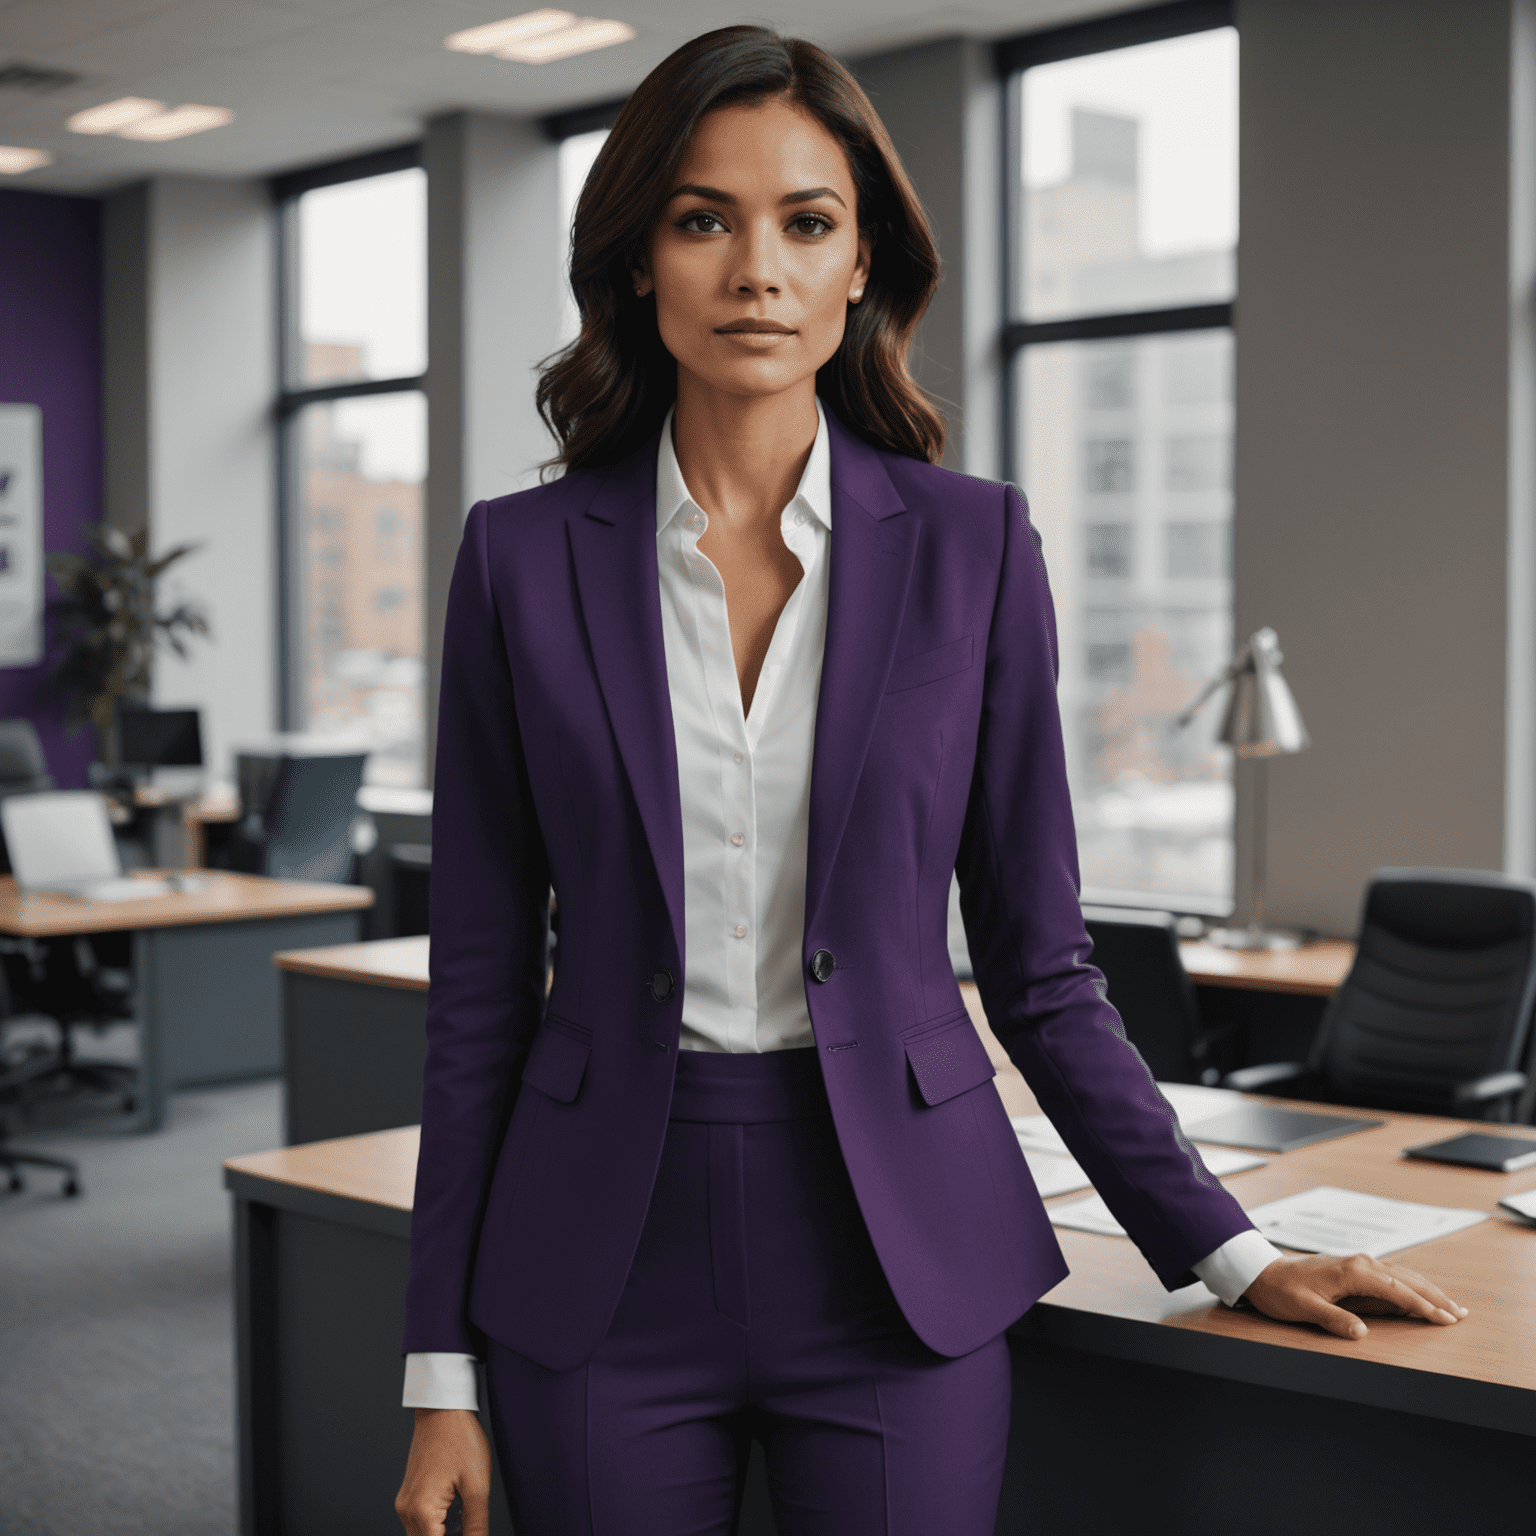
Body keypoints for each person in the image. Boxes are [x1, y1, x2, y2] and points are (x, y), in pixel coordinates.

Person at [394, 26, 1467, 1536]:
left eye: (806, 223)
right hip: (598, 1266)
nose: (756, 269)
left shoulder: (976, 548)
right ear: (638, 260)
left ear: (860, 265)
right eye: (704, 219)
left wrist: (1228, 1249)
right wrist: (437, 1364)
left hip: (898, 1261)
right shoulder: (518, 561)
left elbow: (1043, 966)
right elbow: (481, 988)